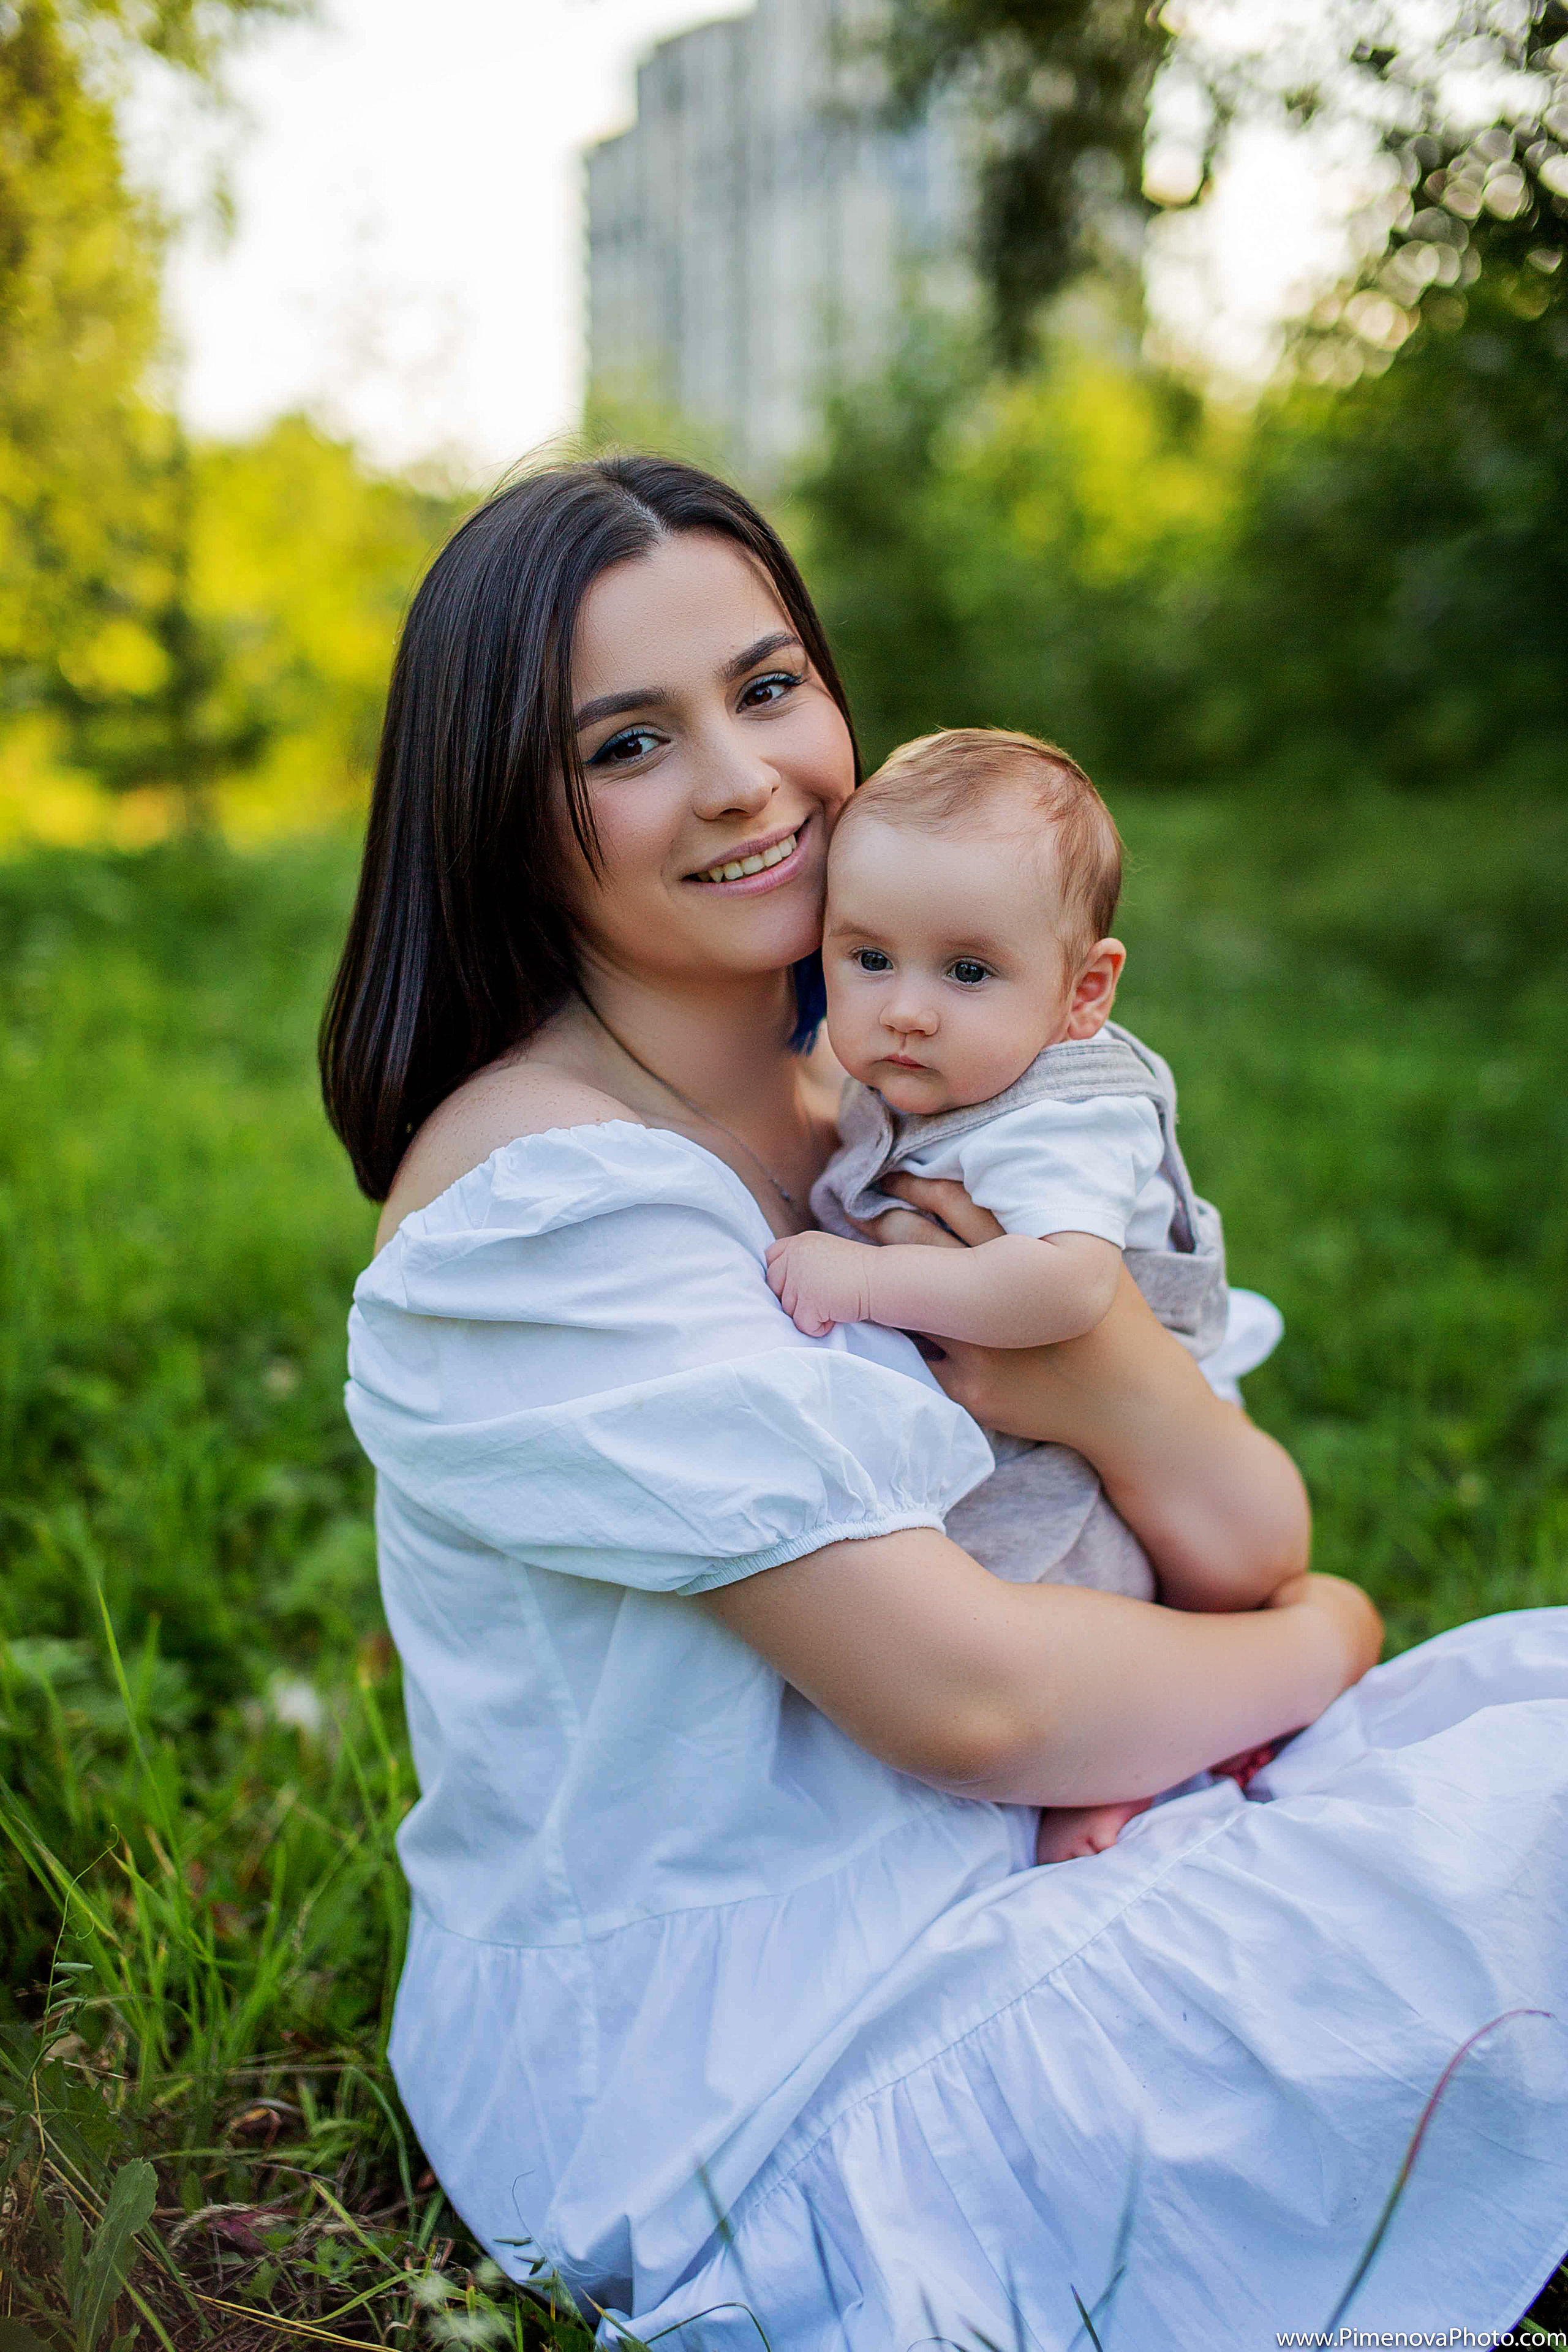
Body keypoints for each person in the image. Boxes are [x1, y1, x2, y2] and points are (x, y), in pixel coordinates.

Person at [322, 453, 1568, 2351]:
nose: (746, 778)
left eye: (766, 688)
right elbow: (971, 1695)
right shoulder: (541, 1207)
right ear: (505, 810)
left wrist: (1106, 1379)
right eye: (627, 744)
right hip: (766, 2060)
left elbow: (1235, 1532)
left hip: (1045, 1849)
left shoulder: (900, 1113)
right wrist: (1338, 1639)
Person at [774, 723, 1303, 1858]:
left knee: (1050, 1587)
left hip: (1101, 1434)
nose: (907, 1008)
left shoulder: (1058, 1115)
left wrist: (868, 1276)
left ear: (1084, 992)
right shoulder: (952, 1063)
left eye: (968, 971)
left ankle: (1143, 1766)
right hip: (1069, 1412)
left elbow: (1068, 1285)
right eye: (868, 959)